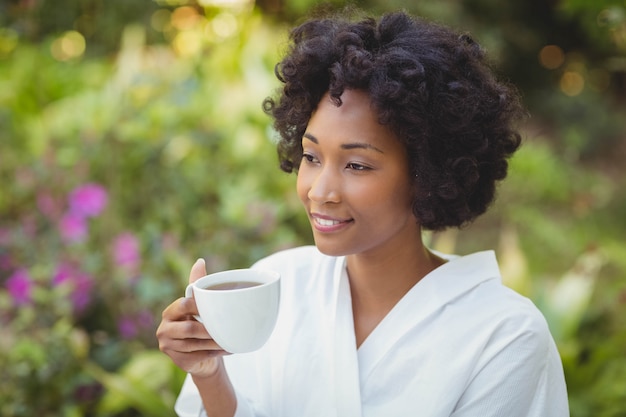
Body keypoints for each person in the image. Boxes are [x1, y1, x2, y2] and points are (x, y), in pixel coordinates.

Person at [157, 9, 569, 417]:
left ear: (428, 173)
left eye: (357, 165)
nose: (320, 191)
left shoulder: (504, 337)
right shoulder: (277, 288)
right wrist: (209, 374)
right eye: (312, 156)